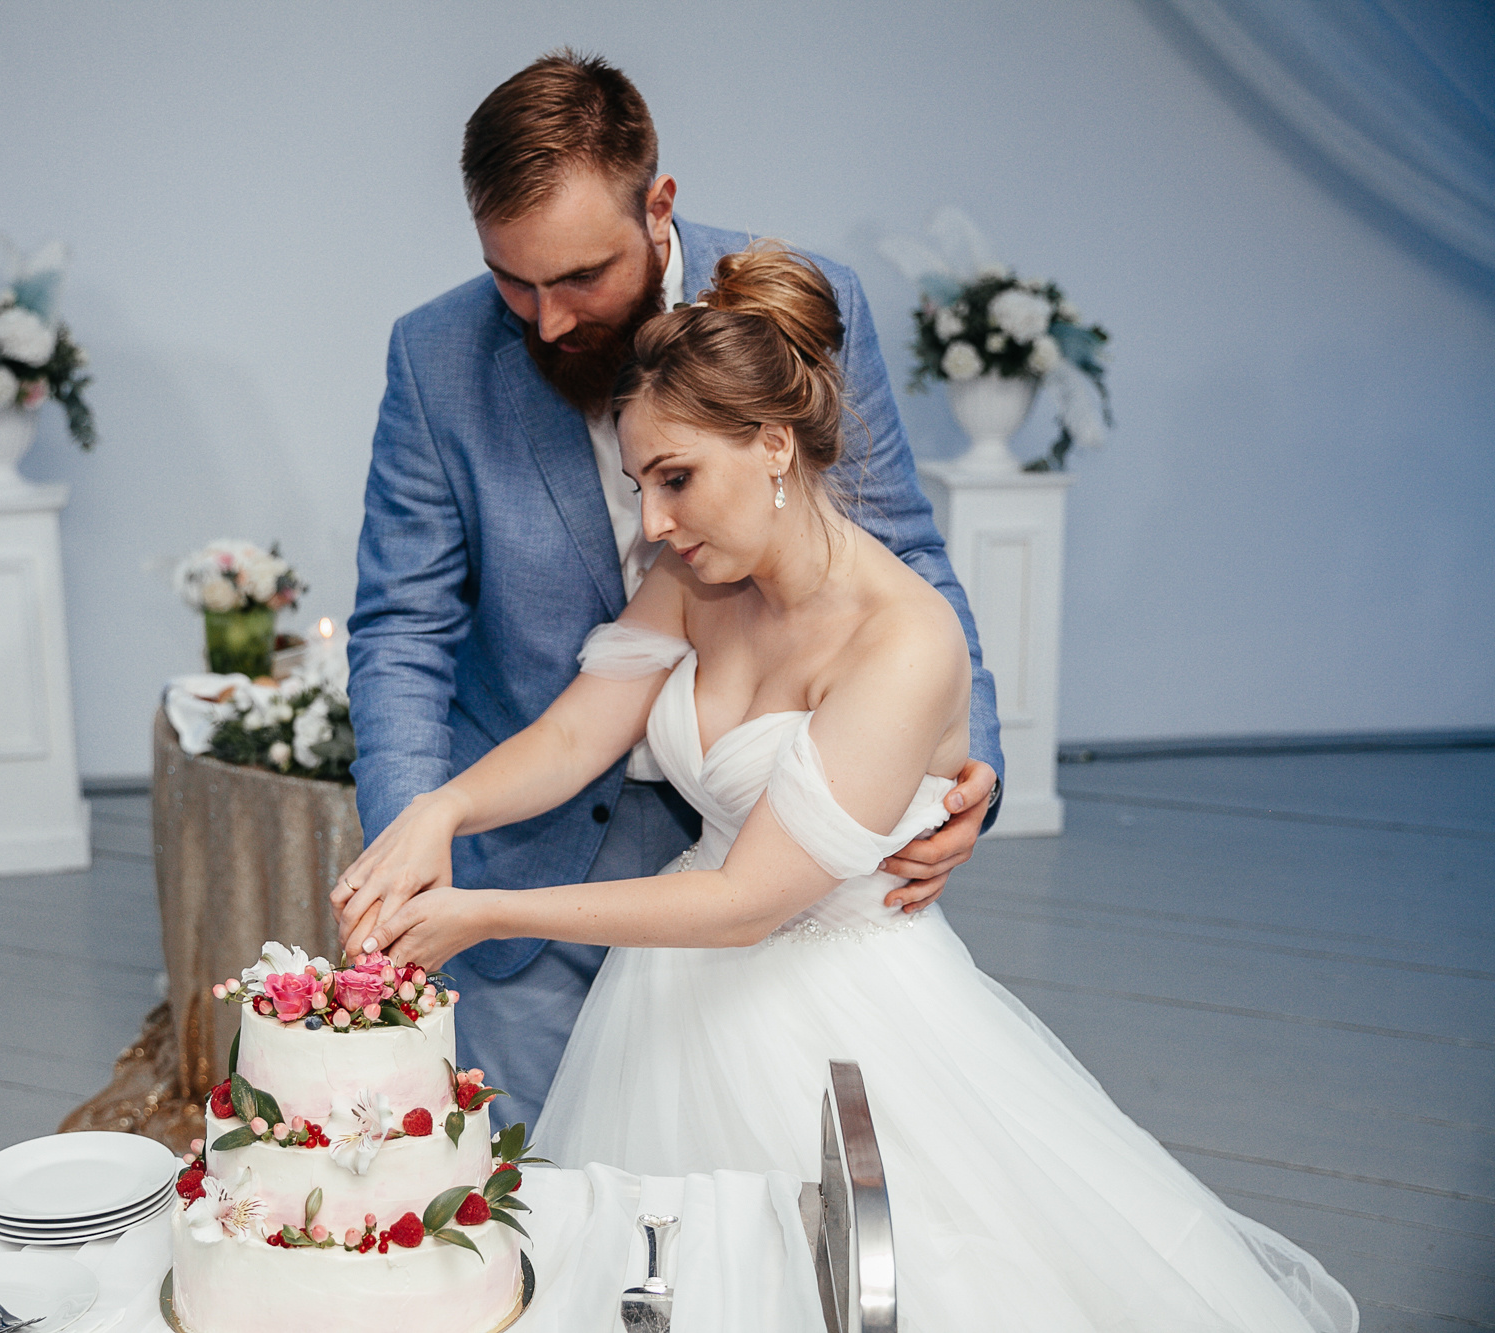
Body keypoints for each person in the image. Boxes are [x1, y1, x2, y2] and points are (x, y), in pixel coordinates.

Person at [337, 242, 1357, 1332]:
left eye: (674, 479)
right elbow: (579, 730)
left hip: (836, 1026)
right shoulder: (693, 577)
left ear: (772, 443)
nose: (653, 523)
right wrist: (443, 807)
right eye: (641, 486)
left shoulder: (901, 641)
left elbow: (745, 902)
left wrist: (483, 909)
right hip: (672, 1005)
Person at [343, 49, 1001, 1132]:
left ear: (658, 208)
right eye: (513, 280)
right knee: (551, 1208)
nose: (546, 321)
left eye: (578, 278)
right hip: (529, 867)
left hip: (784, 892)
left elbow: (900, 554)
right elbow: (404, 627)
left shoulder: (808, 310)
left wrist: (964, 766)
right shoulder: (434, 357)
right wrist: (421, 833)